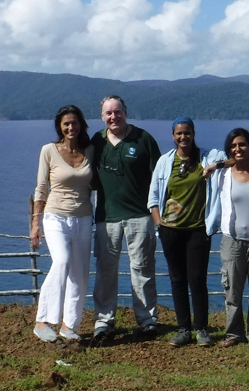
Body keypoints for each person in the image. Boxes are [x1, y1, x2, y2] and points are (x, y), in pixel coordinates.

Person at [148, 117, 228, 347]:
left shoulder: (208, 157)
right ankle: (183, 328)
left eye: (187, 132)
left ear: (193, 133)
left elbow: (234, 160)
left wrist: (215, 166)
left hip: (197, 230)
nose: (183, 137)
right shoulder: (165, 162)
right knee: (177, 279)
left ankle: (201, 328)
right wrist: (160, 224)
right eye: (178, 133)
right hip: (170, 230)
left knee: (197, 279)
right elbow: (153, 197)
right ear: (173, 136)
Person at [92, 95, 161, 339]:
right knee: (105, 271)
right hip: (106, 217)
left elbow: (159, 177)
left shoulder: (143, 139)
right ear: (102, 117)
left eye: (117, 111)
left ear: (125, 112)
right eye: (108, 113)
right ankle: (103, 322)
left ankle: (147, 320)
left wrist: (159, 213)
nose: (114, 117)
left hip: (140, 215)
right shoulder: (97, 142)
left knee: (142, 269)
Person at [31, 105, 94, 342]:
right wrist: (35, 223)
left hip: (84, 217)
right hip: (55, 216)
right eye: (66, 123)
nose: (70, 127)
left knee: (80, 273)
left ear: (81, 125)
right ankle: (42, 321)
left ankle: (69, 326)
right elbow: (41, 188)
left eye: (74, 123)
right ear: (60, 126)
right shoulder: (49, 150)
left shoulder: (90, 151)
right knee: (62, 261)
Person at [217, 128, 249, 351]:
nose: (238, 149)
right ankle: (234, 332)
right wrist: (215, 165)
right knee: (232, 290)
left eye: (243, 144)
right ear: (229, 149)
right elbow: (206, 164)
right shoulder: (224, 175)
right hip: (232, 240)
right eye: (234, 146)